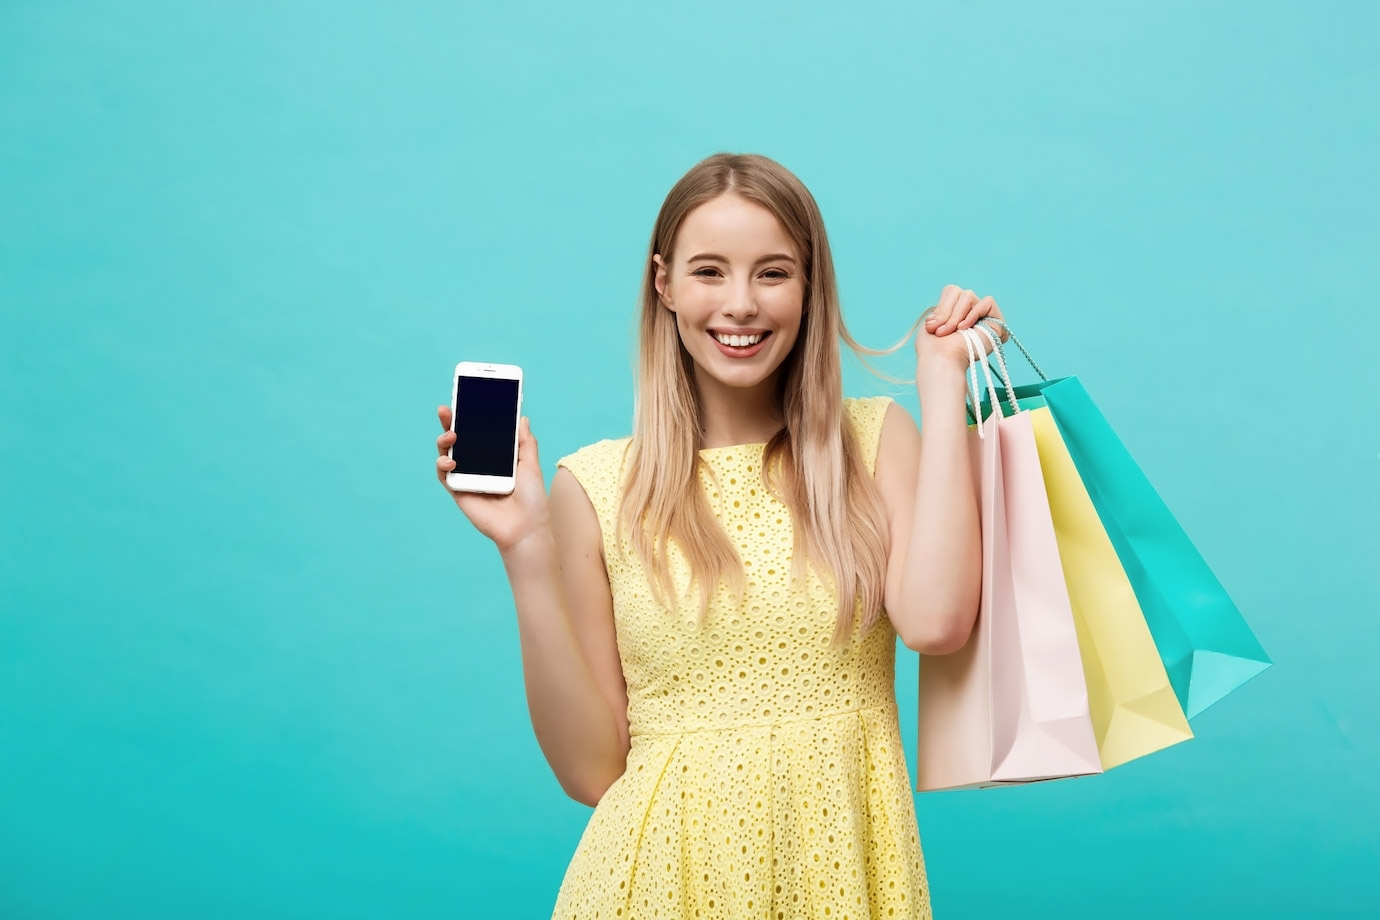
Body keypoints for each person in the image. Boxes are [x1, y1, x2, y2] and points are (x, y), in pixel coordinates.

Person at [434, 152, 1006, 919]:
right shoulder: (597, 487)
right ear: (663, 284)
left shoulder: (873, 442)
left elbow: (936, 624)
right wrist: (525, 548)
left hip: (841, 881)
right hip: (652, 888)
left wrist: (942, 388)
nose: (741, 304)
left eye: (772, 273)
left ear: (810, 287)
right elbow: (592, 774)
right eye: (710, 272)